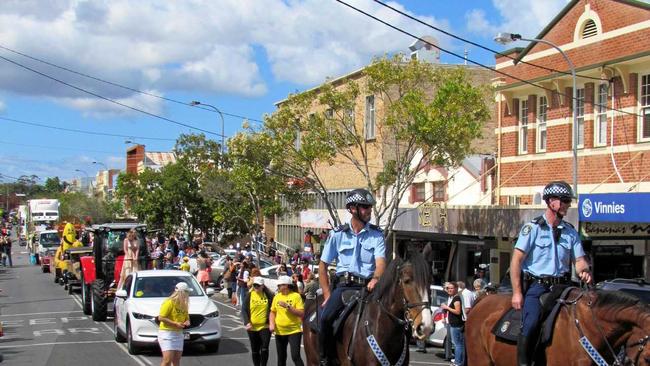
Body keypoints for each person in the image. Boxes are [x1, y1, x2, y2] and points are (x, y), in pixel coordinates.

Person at [510, 181, 592, 366]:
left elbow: (579, 261)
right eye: (564, 200)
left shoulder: (570, 232)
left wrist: (584, 271)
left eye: (568, 201)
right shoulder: (532, 229)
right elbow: (516, 261)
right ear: (550, 201)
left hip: (564, 286)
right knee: (530, 325)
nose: (567, 204)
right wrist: (517, 292)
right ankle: (524, 363)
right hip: (538, 286)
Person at [318, 188, 386, 366]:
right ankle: (326, 358)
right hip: (343, 288)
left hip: (368, 287)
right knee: (325, 318)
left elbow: (380, 264)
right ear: (352, 209)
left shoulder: (377, 235)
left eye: (369, 207)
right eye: (365, 207)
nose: (369, 210)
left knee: (392, 317)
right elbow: (323, 266)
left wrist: (376, 278)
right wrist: (327, 295)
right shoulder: (337, 234)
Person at [270, 275, 304, 366]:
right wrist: (272, 324)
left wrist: (288, 307)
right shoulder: (276, 297)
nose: (278, 287)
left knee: (295, 356)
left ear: (286, 285)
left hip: (294, 331)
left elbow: (301, 313)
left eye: (279, 285)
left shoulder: (296, 296)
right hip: (280, 331)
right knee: (281, 357)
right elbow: (272, 312)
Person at [243, 277, 274, 366]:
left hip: (265, 326)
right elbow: (244, 309)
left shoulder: (268, 295)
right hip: (252, 327)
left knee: (264, 348)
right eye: (254, 285)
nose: (256, 287)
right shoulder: (249, 295)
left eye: (258, 286)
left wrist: (272, 322)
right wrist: (247, 322)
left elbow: (273, 309)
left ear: (262, 286)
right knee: (255, 350)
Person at [157, 282, 191, 366]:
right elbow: (161, 317)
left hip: (178, 334)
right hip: (167, 334)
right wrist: (175, 324)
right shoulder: (169, 302)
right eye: (187, 292)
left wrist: (187, 322)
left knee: (176, 360)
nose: (188, 294)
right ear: (181, 292)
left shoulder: (184, 304)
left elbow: (187, 317)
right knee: (167, 360)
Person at [441, 281, 465, 366]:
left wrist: (447, 307)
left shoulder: (456, 298)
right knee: (458, 344)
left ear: (456, 289)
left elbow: (458, 311)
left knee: (457, 344)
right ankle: (460, 362)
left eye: (452, 288)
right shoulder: (453, 297)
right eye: (449, 288)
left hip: (456, 324)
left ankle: (458, 362)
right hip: (453, 324)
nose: (450, 290)